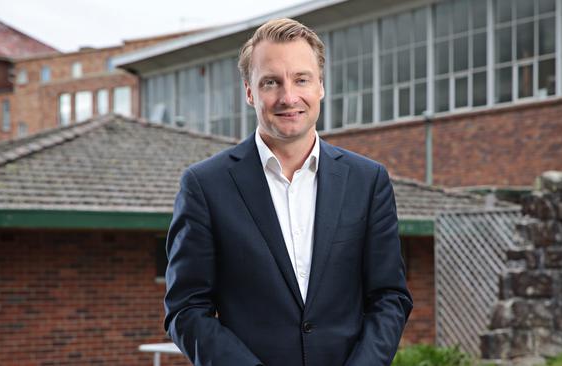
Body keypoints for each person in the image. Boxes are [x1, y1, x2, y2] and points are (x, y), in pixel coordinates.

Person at [164, 18, 412, 366]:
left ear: (320, 86)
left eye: (301, 79)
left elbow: (389, 297)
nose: (288, 96)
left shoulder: (367, 181)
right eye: (271, 82)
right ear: (250, 92)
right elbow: (186, 309)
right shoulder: (205, 186)